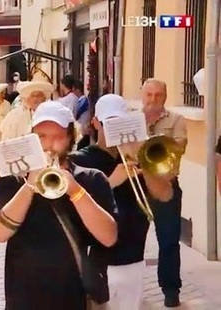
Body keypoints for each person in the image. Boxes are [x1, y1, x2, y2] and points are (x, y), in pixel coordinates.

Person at [0, 100, 118, 309]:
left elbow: (109, 237)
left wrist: (75, 191)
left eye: (57, 137)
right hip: (23, 299)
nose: (48, 145)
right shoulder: (11, 180)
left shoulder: (91, 179)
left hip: (73, 298)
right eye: (41, 137)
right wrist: (30, 185)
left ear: (71, 138)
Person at [71, 94, 176, 310]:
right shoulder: (81, 160)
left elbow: (165, 195)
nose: (115, 129)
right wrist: (110, 182)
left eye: (120, 123)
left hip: (135, 259)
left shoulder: (135, 157)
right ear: (96, 123)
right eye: (109, 123)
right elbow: (74, 207)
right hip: (100, 262)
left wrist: (142, 162)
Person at [140, 78, 187, 307]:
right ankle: (131, 285)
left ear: (165, 97)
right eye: (149, 95)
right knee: (131, 238)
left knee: (168, 240)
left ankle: (170, 289)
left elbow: (179, 147)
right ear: (142, 96)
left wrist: (155, 139)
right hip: (137, 186)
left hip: (166, 186)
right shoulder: (132, 119)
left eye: (158, 95)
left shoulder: (176, 119)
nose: (153, 100)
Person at [73, 80, 91, 149]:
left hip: (84, 131)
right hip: (82, 130)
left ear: (77, 90)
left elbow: (76, 114)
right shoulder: (80, 100)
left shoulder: (83, 100)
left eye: (74, 90)